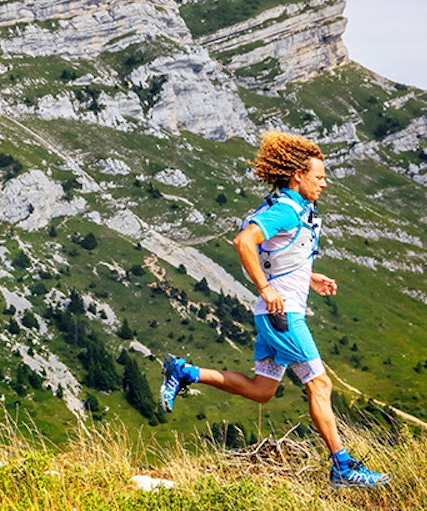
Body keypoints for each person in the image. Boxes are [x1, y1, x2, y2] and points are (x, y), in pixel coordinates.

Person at [159, 131, 391, 489]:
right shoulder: (284, 209)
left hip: (272, 315)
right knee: (321, 384)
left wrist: (308, 276)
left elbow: (274, 253)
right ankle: (343, 468)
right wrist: (267, 289)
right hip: (284, 317)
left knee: (262, 390)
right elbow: (244, 242)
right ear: (298, 175)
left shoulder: (288, 206)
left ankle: (185, 371)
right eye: (319, 176)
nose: (324, 183)